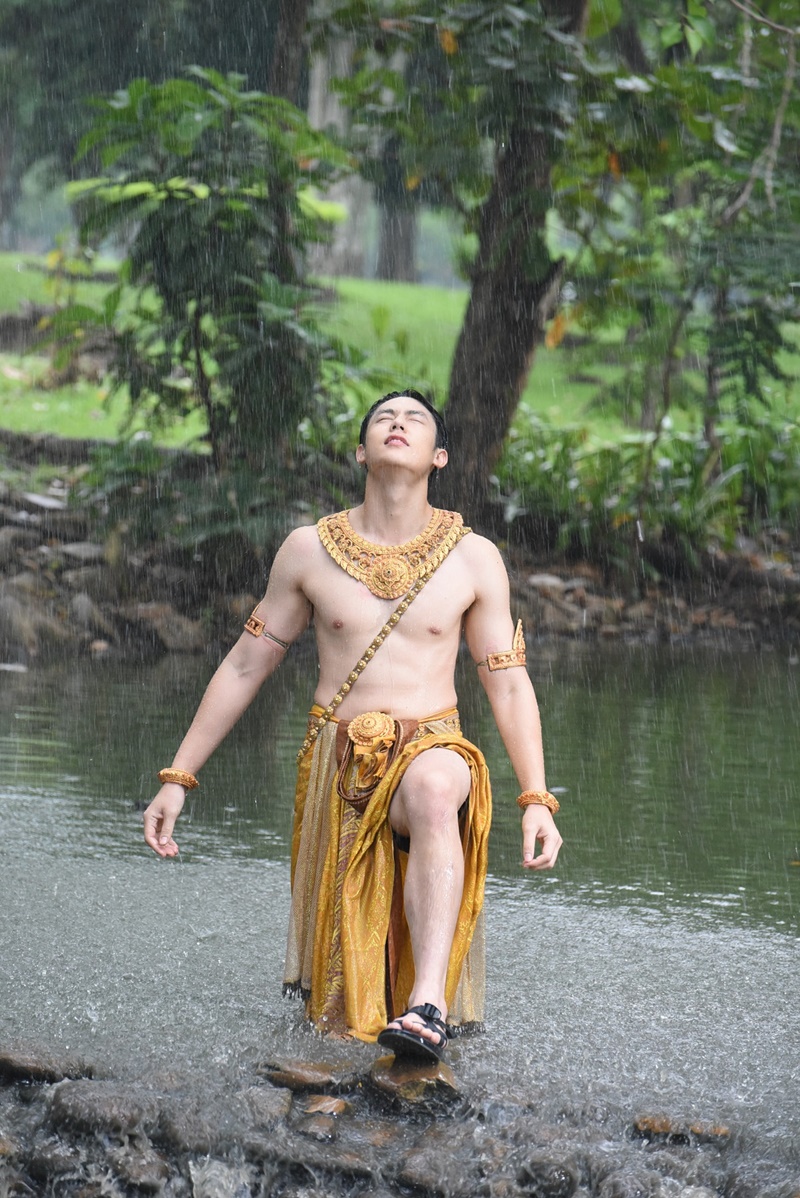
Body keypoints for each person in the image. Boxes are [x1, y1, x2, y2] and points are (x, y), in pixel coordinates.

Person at [143, 389, 562, 1063]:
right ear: (361, 452)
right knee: (337, 1013)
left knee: (435, 789)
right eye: (384, 418)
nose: (398, 423)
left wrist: (536, 797)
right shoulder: (308, 550)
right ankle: (344, 1066)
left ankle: (427, 1006)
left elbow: (507, 683)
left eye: (415, 419)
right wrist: (178, 777)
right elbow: (247, 664)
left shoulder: (473, 557)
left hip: (434, 741)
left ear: (439, 456)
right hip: (340, 760)